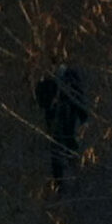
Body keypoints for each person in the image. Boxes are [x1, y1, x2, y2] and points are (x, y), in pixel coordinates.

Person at [34, 59, 91, 193]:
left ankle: (74, 178)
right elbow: (42, 101)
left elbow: (77, 97)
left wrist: (83, 116)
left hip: (67, 117)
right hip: (55, 119)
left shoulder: (69, 76)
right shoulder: (45, 79)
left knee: (68, 144)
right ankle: (60, 184)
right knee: (57, 148)